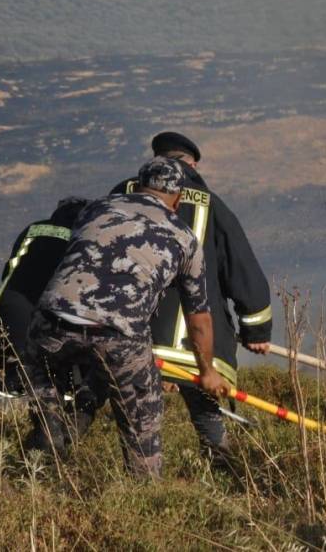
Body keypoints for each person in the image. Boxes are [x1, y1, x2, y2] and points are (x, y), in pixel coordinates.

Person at [23, 158, 227, 477]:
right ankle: (143, 492)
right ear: (178, 198)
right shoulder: (184, 237)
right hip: (119, 335)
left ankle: (40, 464)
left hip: (50, 322)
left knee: (46, 411)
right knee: (141, 423)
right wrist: (207, 372)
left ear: (138, 185)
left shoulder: (96, 209)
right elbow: (199, 317)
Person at [110, 132, 271, 464]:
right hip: (197, 342)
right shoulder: (213, 205)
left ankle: (136, 481)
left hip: (132, 334)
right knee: (205, 409)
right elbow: (242, 270)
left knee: (134, 412)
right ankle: (221, 465)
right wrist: (256, 331)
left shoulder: (121, 194)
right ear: (192, 165)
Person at [0, 197, 92, 439]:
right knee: (55, 383)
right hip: (57, 320)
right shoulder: (86, 238)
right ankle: (52, 445)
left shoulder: (34, 230)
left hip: (11, 311)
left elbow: (10, 270)